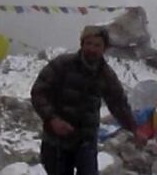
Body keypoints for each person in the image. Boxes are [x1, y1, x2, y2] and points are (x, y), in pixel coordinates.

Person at [30, 25, 148, 175]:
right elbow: (39, 92)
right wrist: (52, 119)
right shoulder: (62, 65)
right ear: (82, 44)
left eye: (97, 45)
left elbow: (118, 104)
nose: (92, 49)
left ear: (105, 48)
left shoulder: (106, 75)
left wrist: (134, 128)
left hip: (85, 141)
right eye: (89, 44)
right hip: (56, 141)